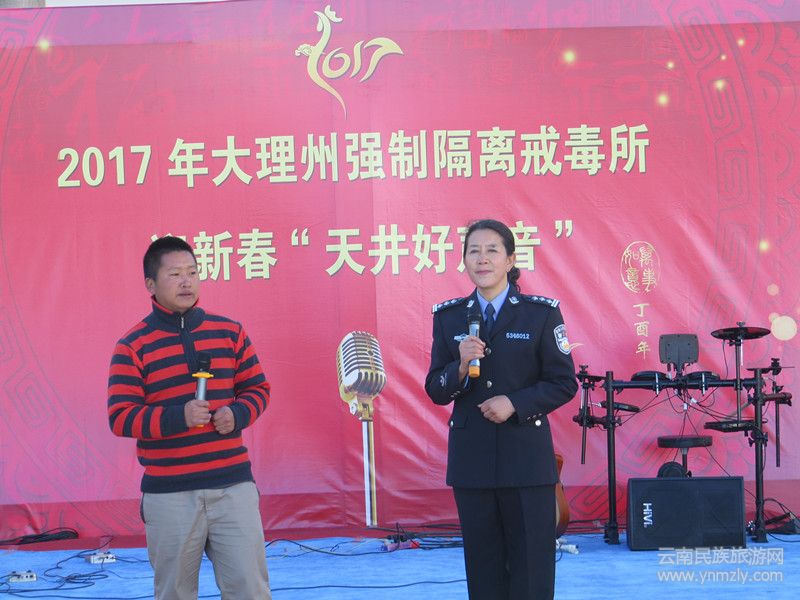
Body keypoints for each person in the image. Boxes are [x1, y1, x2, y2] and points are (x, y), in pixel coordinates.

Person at [107, 236, 271, 600]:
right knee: (175, 593)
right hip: (170, 495)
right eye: (175, 274)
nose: (186, 281)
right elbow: (120, 417)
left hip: (232, 487)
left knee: (250, 589)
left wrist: (237, 414)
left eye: (193, 272)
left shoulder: (230, 332)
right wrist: (177, 417)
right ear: (150, 284)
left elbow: (258, 389)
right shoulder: (132, 345)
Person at [424, 219, 578, 600]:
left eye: (492, 250)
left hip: (526, 462)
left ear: (510, 260)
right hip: (472, 464)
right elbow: (436, 389)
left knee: (531, 572)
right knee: (484, 572)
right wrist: (460, 368)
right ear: (464, 261)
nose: (482, 259)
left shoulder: (540, 315)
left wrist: (515, 403)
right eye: (474, 251)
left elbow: (564, 383)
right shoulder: (449, 317)